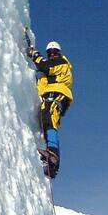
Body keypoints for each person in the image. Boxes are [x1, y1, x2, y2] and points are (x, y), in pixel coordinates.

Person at [26, 39, 73, 178]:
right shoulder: (49, 74)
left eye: (54, 52)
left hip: (56, 96)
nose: (52, 54)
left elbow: (44, 66)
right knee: (47, 120)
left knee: (50, 118)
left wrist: (34, 54)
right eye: (50, 52)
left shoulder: (61, 63)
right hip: (51, 97)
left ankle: (52, 155)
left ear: (58, 53)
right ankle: (52, 165)